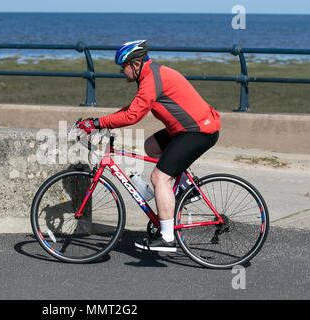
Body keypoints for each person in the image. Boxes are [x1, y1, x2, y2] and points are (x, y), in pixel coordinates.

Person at [78, 40, 221, 252]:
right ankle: (186, 188)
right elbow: (134, 107)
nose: (121, 71)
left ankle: (166, 237)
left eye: (123, 66)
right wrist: (102, 121)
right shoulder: (149, 75)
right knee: (151, 146)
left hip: (198, 131)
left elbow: (133, 115)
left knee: (159, 177)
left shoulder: (151, 79)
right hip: (186, 129)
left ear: (135, 64)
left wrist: (98, 123)